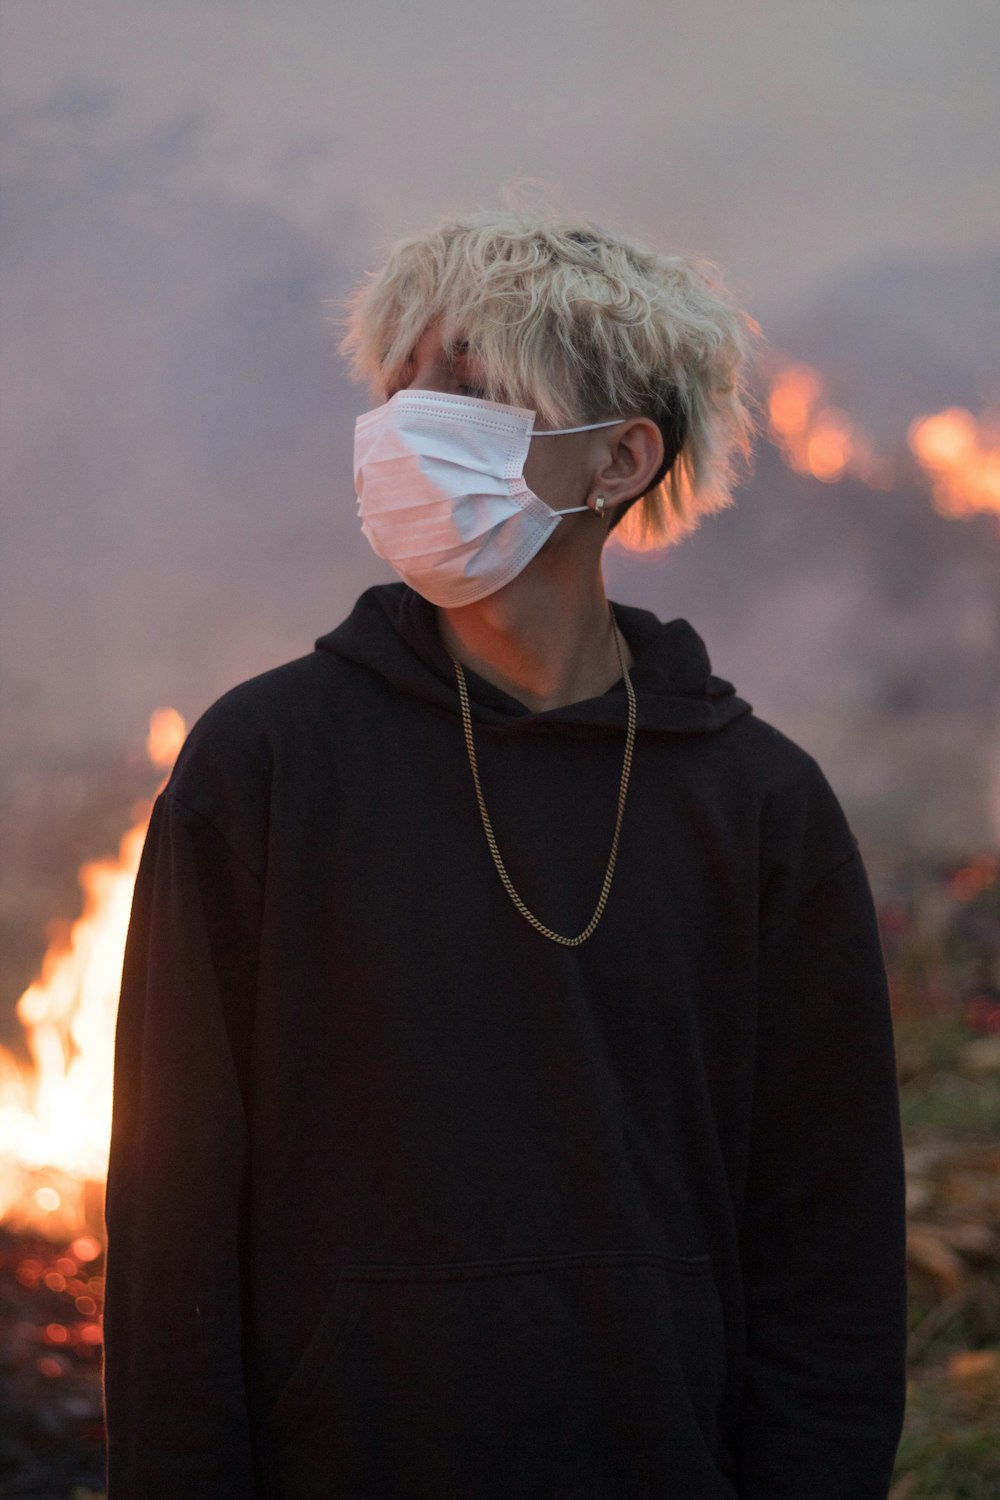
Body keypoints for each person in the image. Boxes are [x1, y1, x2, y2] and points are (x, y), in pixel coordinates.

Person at [101, 209, 908, 1499]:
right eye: (400, 386)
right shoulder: (263, 768)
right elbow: (170, 1233)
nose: (411, 426)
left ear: (621, 459)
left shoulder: (760, 805)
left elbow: (830, 1251)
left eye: (474, 388)